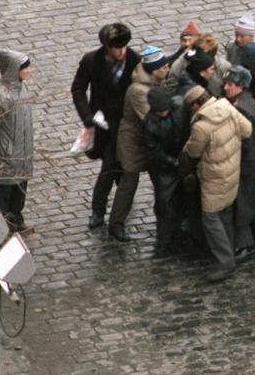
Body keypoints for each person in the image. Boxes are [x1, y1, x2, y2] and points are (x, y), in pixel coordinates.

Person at [70, 23, 140, 230]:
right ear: (107, 46)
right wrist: (87, 116)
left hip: (125, 124)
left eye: (124, 46)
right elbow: (78, 89)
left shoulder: (134, 59)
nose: (122, 51)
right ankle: (99, 209)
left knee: (118, 165)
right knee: (110, 165)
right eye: (117, 47)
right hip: (103, 124)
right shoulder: (92, 61)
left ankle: (116, 203)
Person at [182, 85, 252, 282]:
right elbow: (247, 130)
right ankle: (229, 250)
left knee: (211, 218)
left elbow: (193, 152)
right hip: (232, 172)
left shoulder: (201, 126)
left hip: (213, 178)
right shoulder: (228, 107)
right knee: (226, 212)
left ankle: (225, 262)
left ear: (196, 104)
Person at [111, 46, 171, 242]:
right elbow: (150, 118)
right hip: (132, 141)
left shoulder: (154, 82)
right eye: (164, 67)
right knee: (129, 182)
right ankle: (116, 223)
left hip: (145, 141)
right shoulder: (139, 90)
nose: (167, 70)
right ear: (154, 70)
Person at [0, 50, 34, 234]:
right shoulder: (0, 95)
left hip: (22, 150)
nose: (28, 70)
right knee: (2, 194)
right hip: (6, 153)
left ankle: (16, 222)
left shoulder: (22, 88)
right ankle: (0, 228)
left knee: (19, 191)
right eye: (24, 67)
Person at [223, 65, 255, 261]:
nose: (226, 87)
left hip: (249, 162)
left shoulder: (239, 109)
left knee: (242, 200)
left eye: (230, 84)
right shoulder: (250, 102)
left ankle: (245, 244)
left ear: (241, 87)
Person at [142, 87, 186, 258]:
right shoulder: (149, 124)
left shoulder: (179, 108)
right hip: (163, 169)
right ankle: (164, 241)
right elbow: (154, 152)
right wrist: (174, 163)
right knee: (164, 203)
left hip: (180, 158)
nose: (163, 113)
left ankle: (180, 232)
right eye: (160, 111)